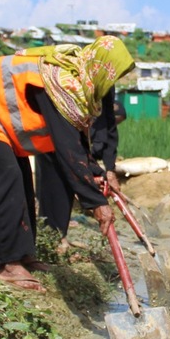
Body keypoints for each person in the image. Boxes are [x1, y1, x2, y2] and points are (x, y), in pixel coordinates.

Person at [0, 35, 133, 292]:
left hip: (2, 122)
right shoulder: (61, 84)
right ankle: (6, 264)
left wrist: (96, 173)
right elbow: (66, 148)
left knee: (23, 184)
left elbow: (78, 145)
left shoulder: (80, 88)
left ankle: (23, 254)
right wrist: (95, 203)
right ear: (100, 66)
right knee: (4, 183)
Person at [36, 89, 125, 253]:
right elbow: (71, 149)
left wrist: (109, 169)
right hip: (58, 139)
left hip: (88, 143)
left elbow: (110, 127)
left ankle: (56, 238)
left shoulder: (105, 85)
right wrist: (96, 201)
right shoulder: (66, 88)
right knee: (58, 180)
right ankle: (53, 238)